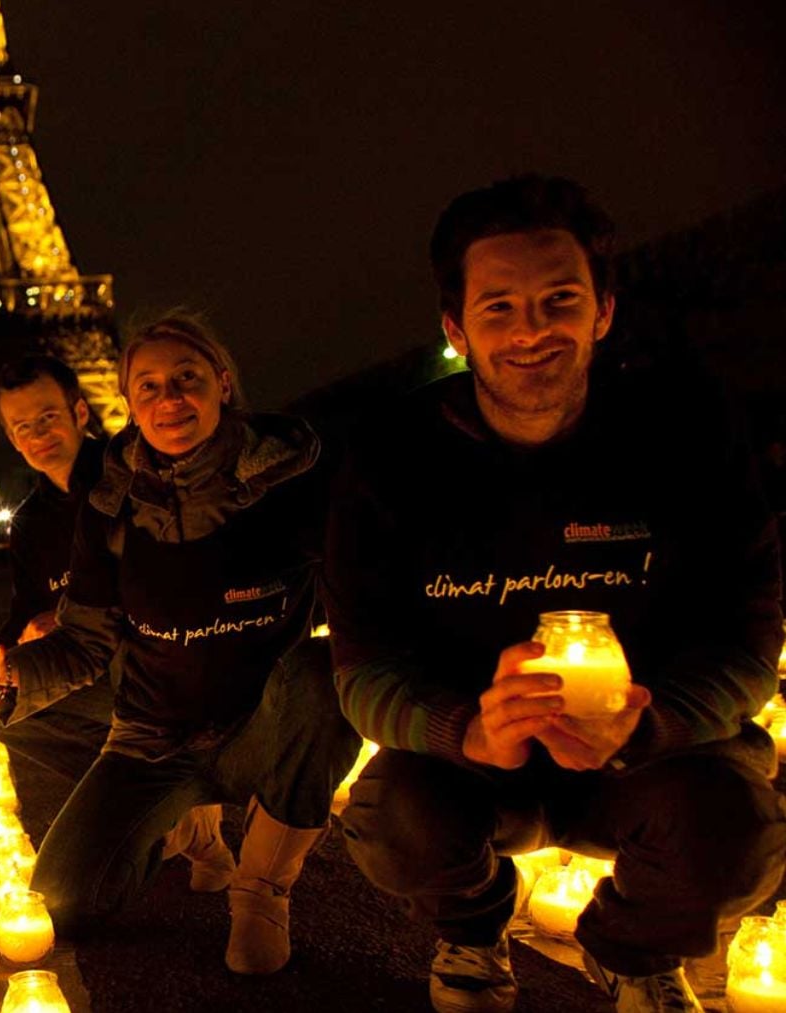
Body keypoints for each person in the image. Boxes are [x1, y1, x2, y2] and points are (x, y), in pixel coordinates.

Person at [327, 176, 786, 1013]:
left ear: (602, 310)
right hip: (475, 771)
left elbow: (749, 641)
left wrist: (648, 725)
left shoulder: (689, 432)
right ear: (456, 328)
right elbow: (362, 669)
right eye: (498, 307)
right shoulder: (391, 458)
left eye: (559, 300)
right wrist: (467, 730)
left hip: (649, 764)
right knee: (391, 813)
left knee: (742, 829)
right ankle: (474, 929)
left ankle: (633, 951)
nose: (531, 330)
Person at [0, 316, 357, 975]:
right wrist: (6, 675)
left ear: (223, 384)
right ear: (129, 401)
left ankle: (261, 889)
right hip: (151, 739)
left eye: (187, 378)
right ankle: (183, 822)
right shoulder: (108, 505)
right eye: (148, 386)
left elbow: (361, 590)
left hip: (259, 729)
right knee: (62, 903)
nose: (169, 399)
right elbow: (87, 641)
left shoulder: (293, 484)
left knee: (325, 672)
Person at [0, 355, 236, 890]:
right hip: (87, 671)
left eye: (48, 417)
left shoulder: (135, 476)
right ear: (11, 438)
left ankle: (157, 800)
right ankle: (163, 799)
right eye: (23, 426)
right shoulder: (31, 522)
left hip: (160, 663)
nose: (38, 435)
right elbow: (22, 614)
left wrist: (62, 621)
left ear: (80, 412)